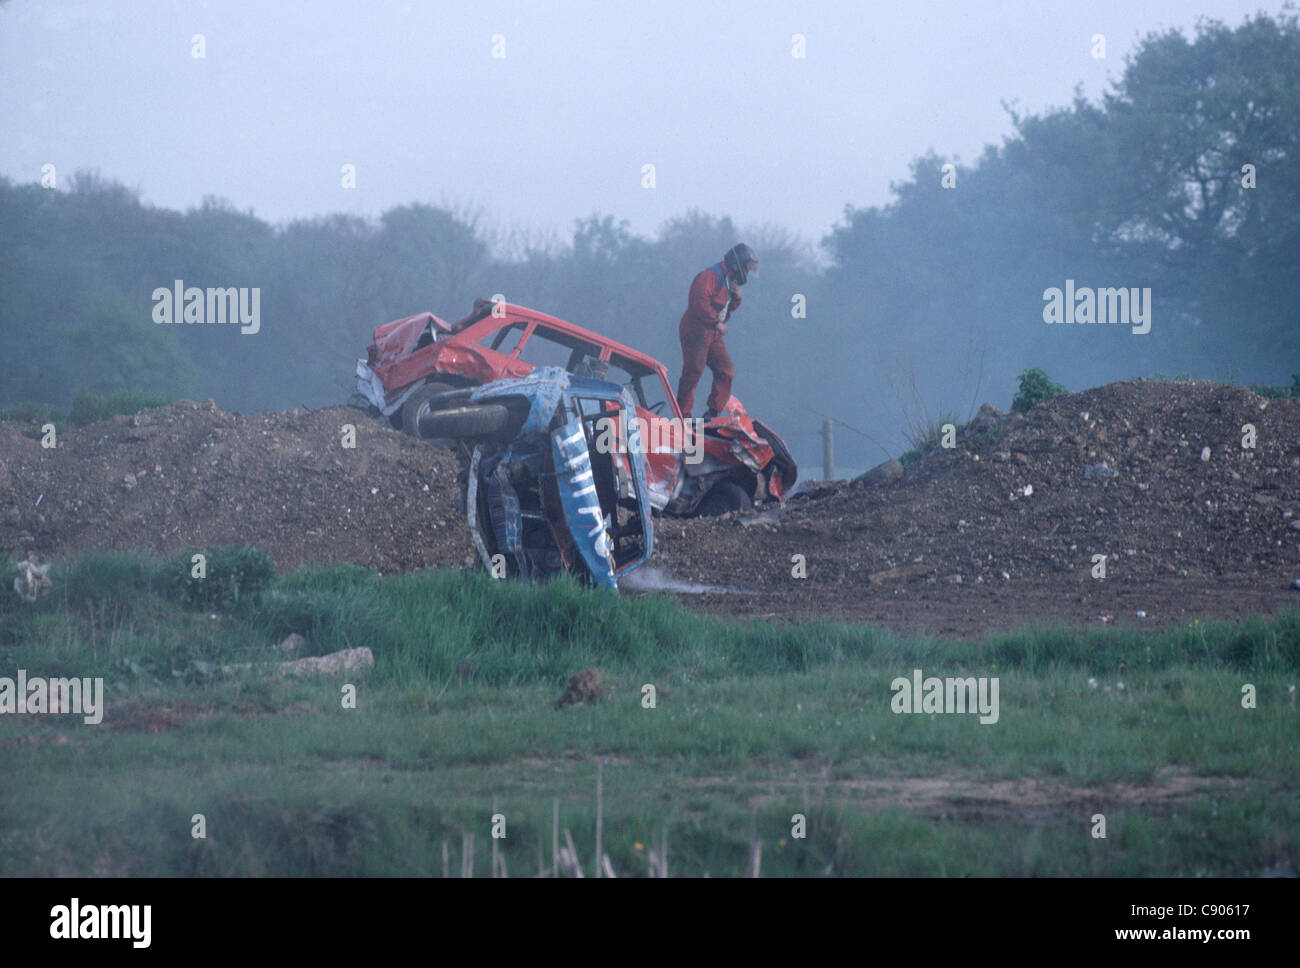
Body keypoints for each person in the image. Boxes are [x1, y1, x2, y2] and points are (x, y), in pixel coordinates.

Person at [675, 244, 758, 419]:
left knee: (726, 369)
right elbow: (699, 302)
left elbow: (727, 309)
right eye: (746, 268)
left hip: (711, 332)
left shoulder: (729, 281)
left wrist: (737, 298)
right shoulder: (710, 276)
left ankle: (712, 413)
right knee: (693, 372)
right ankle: (682, 417)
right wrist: (715, 323)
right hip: (696, 329)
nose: (747, 273)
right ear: (737, 264)